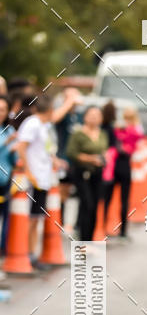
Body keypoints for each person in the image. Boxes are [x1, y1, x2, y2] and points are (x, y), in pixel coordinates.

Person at [15, 94, 57, 267]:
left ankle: (32, 254)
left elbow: (44, 149)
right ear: (50, 109)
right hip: (34, 179)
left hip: (43, 178)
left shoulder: (43, 125)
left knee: (36, 218)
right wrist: (28, 171)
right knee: (30, 219)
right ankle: (26, 254)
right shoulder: (32, 123)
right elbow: (21, 147)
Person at [66, 106, 107, 241]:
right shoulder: (78, 134)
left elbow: (104, 150)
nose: (94, 118)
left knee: (95, 207)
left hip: (97, 173)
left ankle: (90, 240)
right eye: (91, 115)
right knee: (87, 205)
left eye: (97, 115)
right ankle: (83, 240)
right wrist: (91, 159)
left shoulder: (102, 133)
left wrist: (103, 159)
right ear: (85, 117)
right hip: (82, 173)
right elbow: (71, 153)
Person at [103, 106, 144, 240]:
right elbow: (135, 145)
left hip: (113, 166)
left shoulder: (117, 129)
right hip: (125, 165)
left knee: (108, 198)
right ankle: (123, 231)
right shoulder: (135, 130)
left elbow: (112, 144)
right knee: (124, 199)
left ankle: (102, 227)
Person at [52, 87, 83, 231]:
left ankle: (78, 224)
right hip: (63, 159)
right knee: (62, 192)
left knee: (80, 192)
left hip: (78, 160)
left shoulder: (80, 116)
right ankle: (60, 222)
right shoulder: (62, 114)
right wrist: (69, 101)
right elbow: (54, 118)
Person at [0, 95, 17, 256]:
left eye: (3, 110)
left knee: (6, 215)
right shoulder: (8, 136)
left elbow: (14, 159)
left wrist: (14, 151)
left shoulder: (10, 131)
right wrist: (6, 143)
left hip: (5, 180)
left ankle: (3, 248)